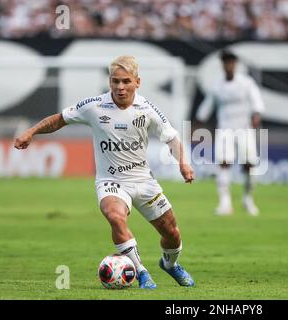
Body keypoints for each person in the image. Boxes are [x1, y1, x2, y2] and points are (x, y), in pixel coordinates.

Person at [14, 55, 195, 289]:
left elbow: (171, 138)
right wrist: (32, 131)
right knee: (115, 217)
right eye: (115, 81)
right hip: (111, 181)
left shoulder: (147, 109)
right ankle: (141, 272)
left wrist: (183, 162)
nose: (120, 87)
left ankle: (170, 265)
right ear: (109, 81)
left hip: (143, 180)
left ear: (137, 82)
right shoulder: (94, 106)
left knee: (172, 232)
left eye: (126, 81)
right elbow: (60, 119)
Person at [195, 50, 265, 216]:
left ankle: (248, 199)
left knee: (249, 165)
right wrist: (199, 121)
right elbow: (207, 105)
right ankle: (224, 203)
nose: (228, 66)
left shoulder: (246, 83)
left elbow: (257, 101)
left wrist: (256, 114)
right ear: (222, 65)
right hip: (225, 129)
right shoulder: (217, 84)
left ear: (235, 64)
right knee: (224, 163)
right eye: (225, 63)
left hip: (244, 128)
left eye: (231, 62)